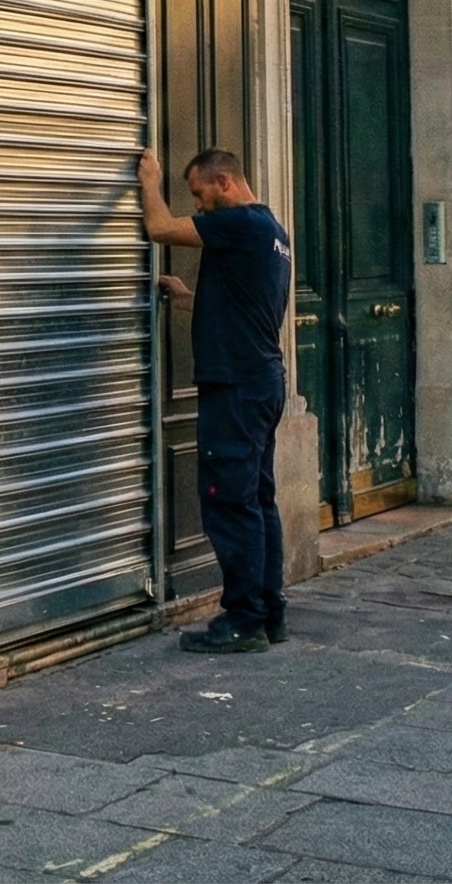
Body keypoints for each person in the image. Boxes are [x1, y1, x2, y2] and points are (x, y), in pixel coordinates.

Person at [139, 148, 291, 654]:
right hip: (261, 382)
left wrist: (150, 179)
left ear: (224, 182)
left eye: (200, 195)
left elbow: (159, 228)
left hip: (237, 387)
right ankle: (269, 612)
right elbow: (243, 308)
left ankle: (243, 621)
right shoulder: (272, 232)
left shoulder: (241, 222)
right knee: (258, 500)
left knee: (230, 503)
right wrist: (187, 297)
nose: (198, 208)